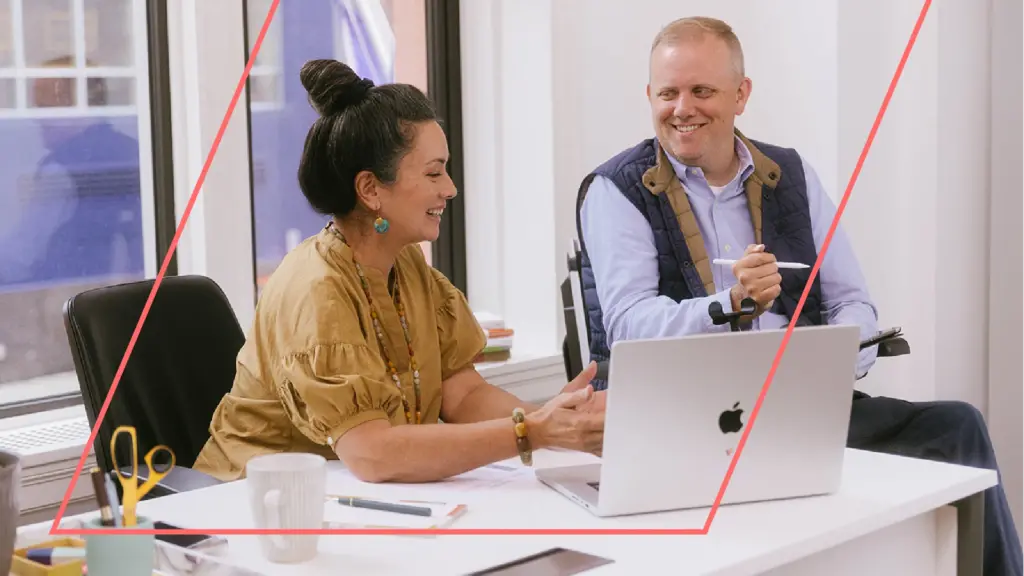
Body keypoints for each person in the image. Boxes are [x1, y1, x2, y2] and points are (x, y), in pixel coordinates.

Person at [577, 16, 1024, 575]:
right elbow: (627, 326)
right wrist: (730, 305)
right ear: (649, 96)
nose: (682, 108)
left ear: (741, 94)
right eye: (667, 92)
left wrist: (834, 355)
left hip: (793, 411)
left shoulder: (791, 174)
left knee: (956, 425)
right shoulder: (615, 188)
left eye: (702, 91)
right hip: (689, 426)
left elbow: (852, 303)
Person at [193, 59, 605, 484]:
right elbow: (374, 455)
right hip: (252, 506)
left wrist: (560, 421)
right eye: (433, 172)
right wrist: (530, 433)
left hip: (347, 500)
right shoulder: (317, 289)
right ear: (371, 189)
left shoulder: (405, 264)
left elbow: (462, 393)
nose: (450, 188)